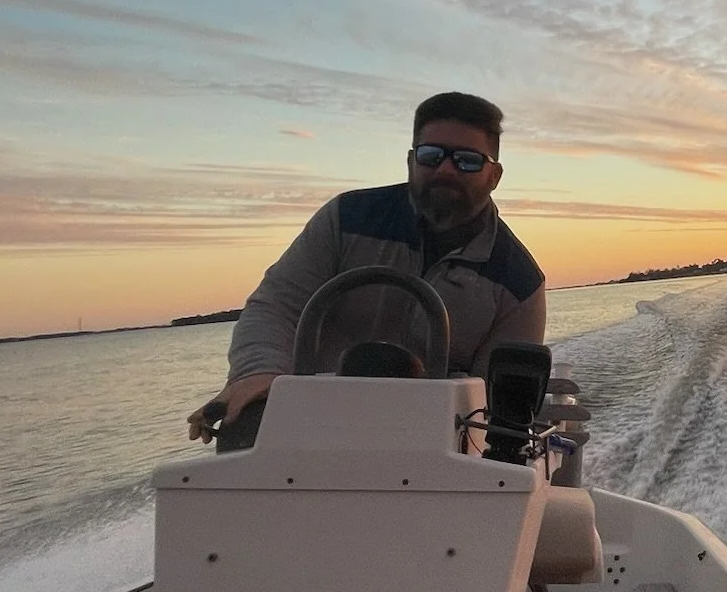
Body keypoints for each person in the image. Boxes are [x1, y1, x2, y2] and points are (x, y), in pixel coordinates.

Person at [188, 92, 546, 445]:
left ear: (494, 175)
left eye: (467, 160)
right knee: (241, 431)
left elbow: (493, 410)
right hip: (308, 430)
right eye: (431, 155)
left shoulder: (520, 283)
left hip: (431, 448)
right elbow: (275, 308)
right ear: (410, 162)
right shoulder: (345, 220)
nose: (446, 169)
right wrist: (258, 373)